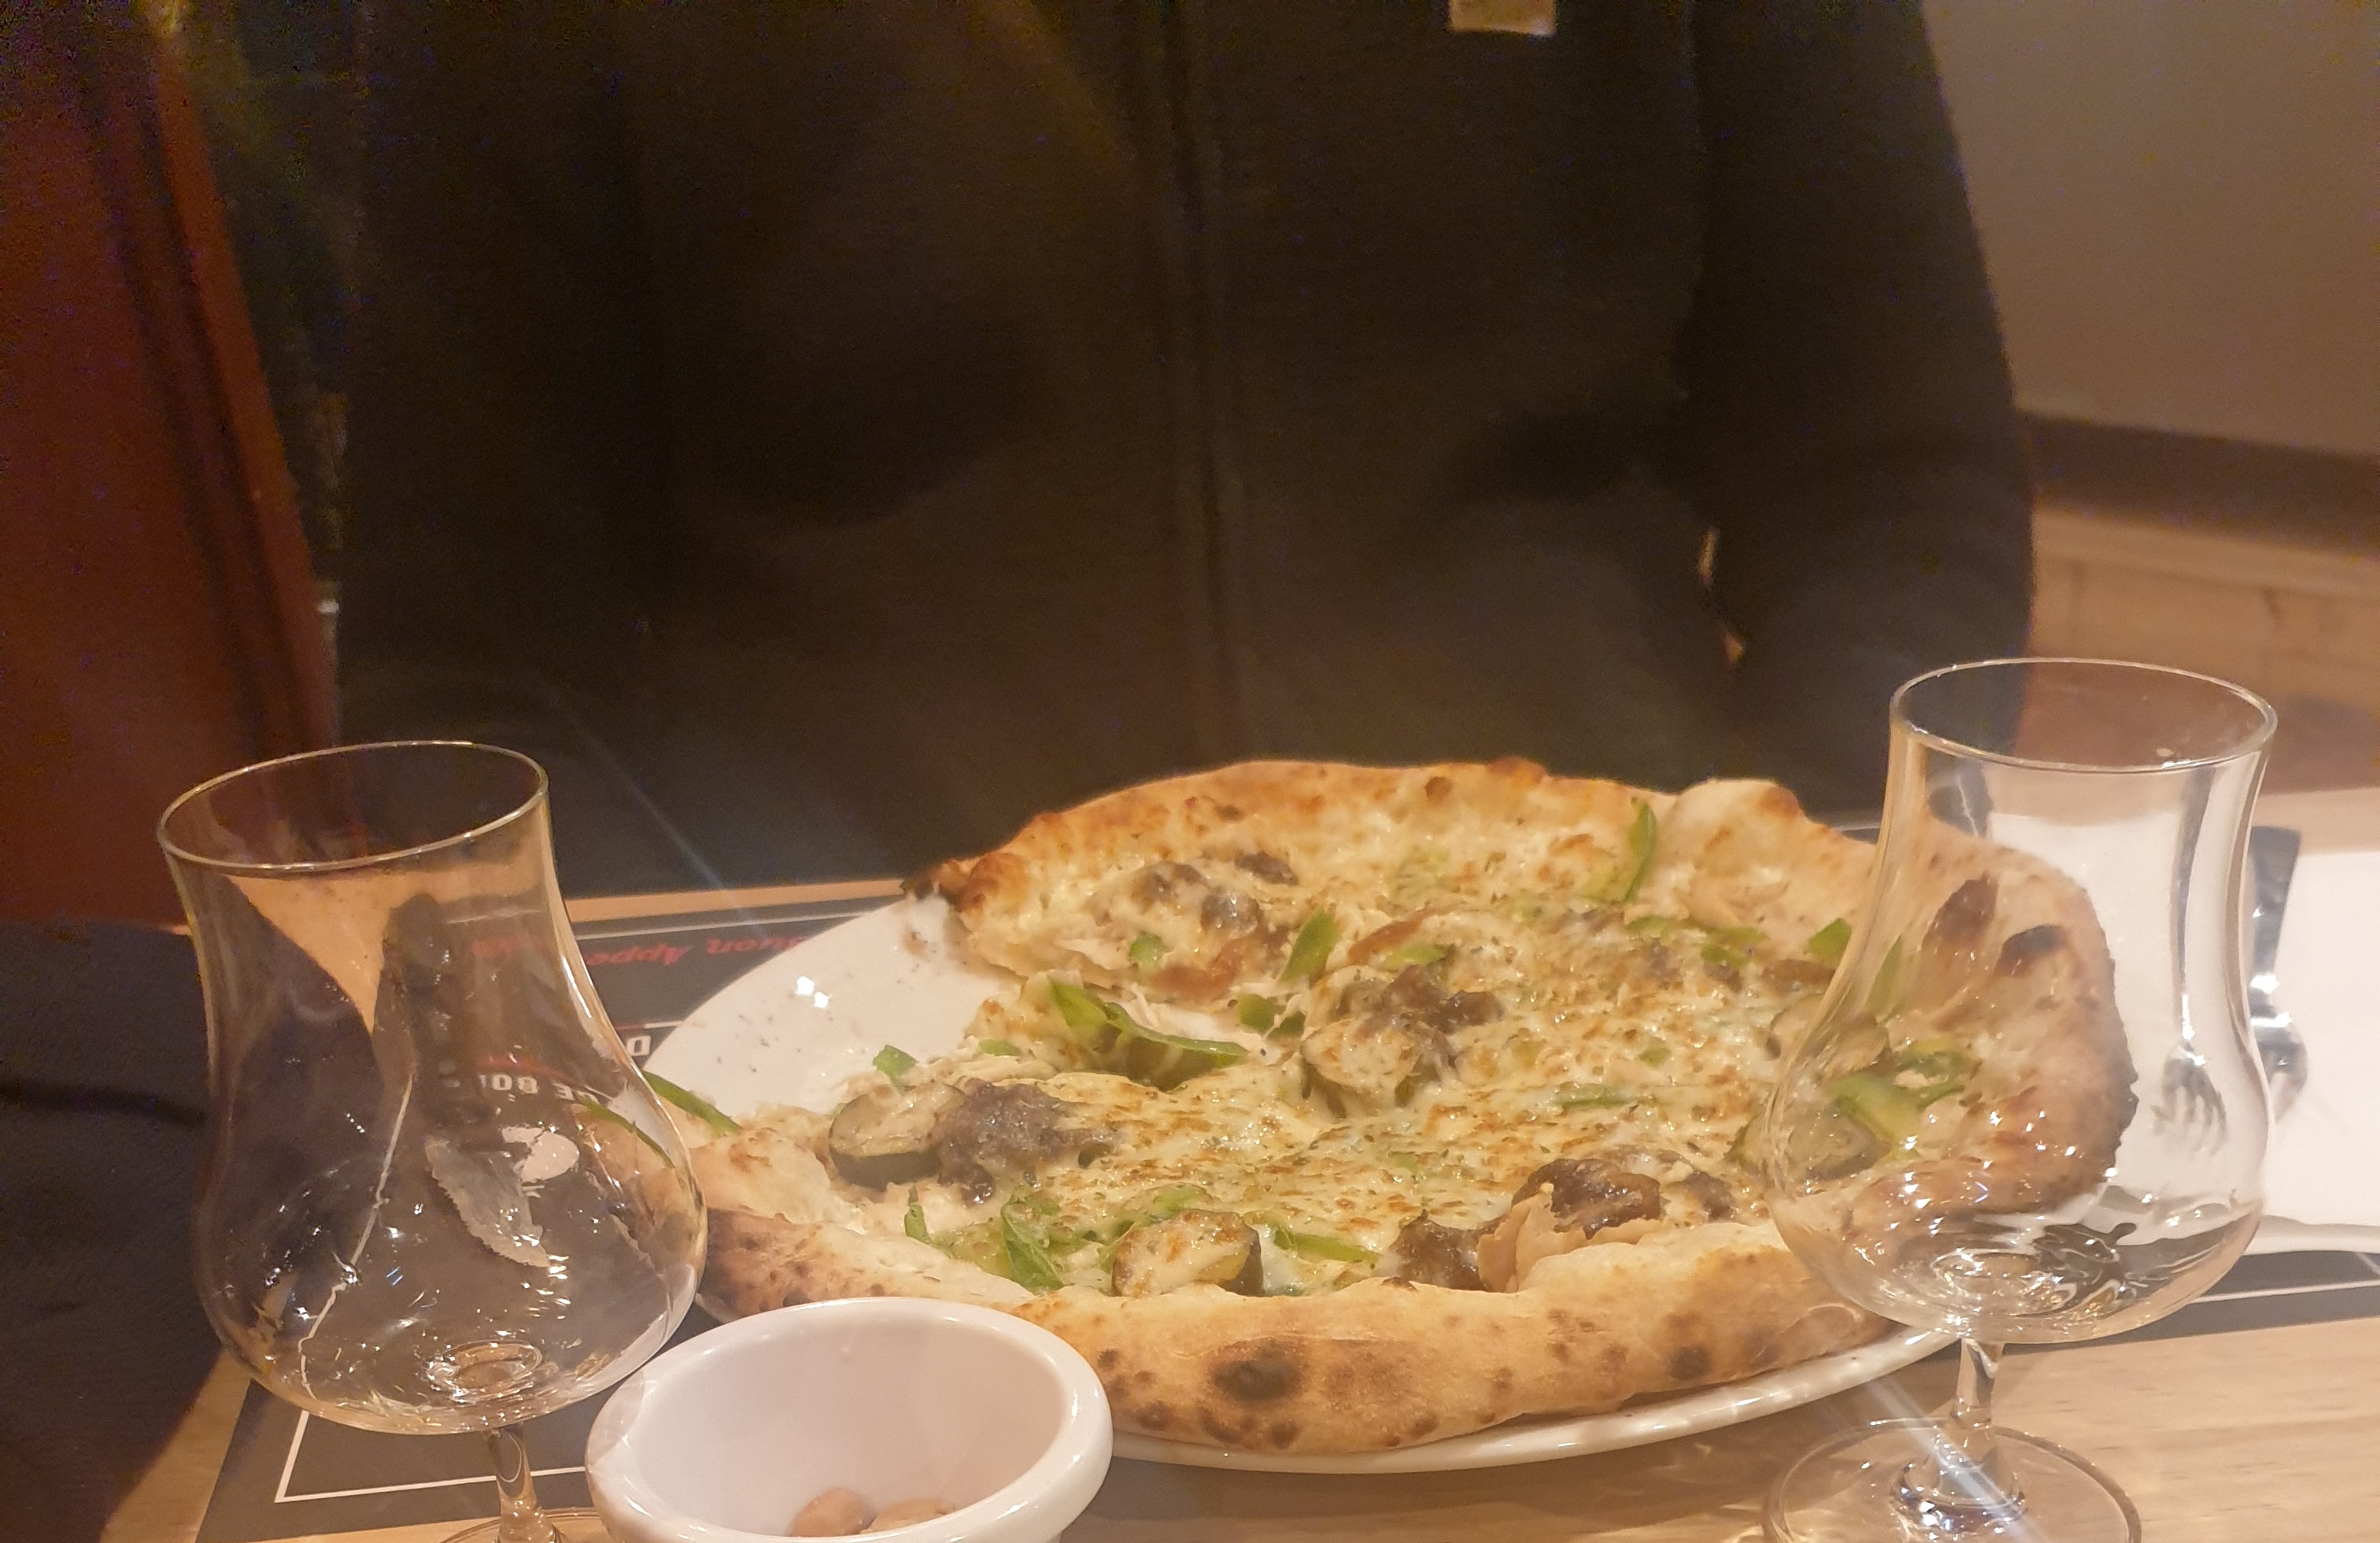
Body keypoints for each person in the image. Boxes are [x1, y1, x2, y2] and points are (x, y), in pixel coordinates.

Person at [338, 0, 2031, 896]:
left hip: (1610, 957)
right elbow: (470, 674)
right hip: (836, 980)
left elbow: (1893, 494)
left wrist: (1800, 906)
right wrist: (690, 1039)